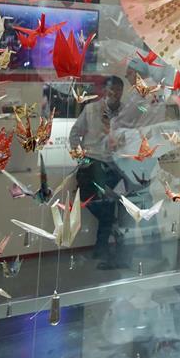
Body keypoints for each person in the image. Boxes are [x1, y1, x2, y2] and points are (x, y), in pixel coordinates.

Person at [70, 75, 129, 267]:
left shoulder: (126, 113)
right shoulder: (91, 109)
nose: (115, 93)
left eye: (118, 89)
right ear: (104, 90)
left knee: (110, 203)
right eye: (111, 89)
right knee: (91, 199)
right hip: (93, 161)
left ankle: (102, 248)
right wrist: (82, 158)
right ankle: (108, 235)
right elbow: (74, 134)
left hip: (115, 163)